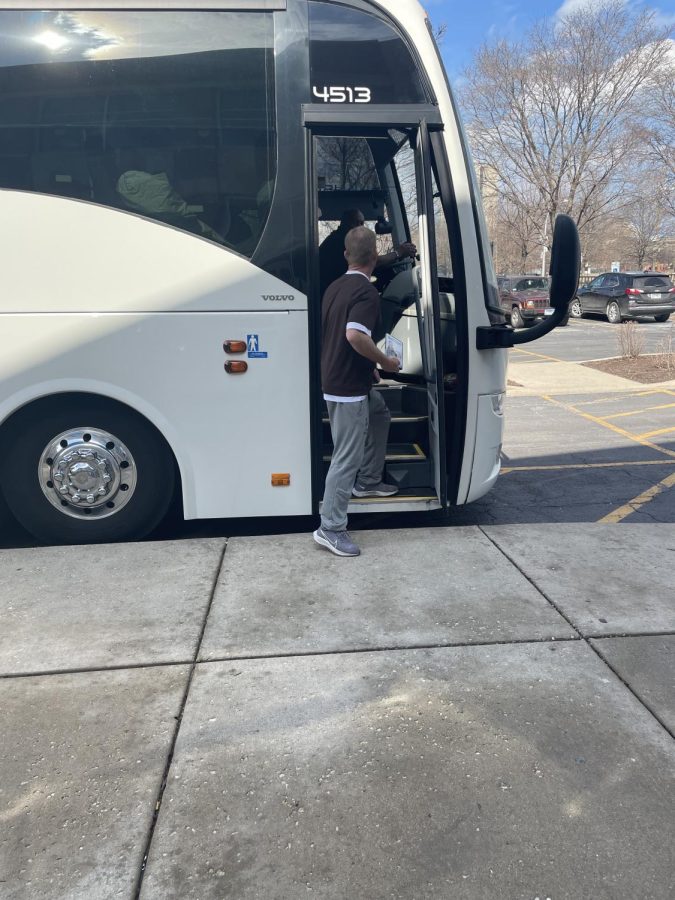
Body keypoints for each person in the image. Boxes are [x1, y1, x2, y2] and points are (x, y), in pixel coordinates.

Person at [314, 226, 402, 558]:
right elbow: (353, 335)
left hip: (348, 379)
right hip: (346, 389)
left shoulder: (335, 286)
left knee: (379, 413)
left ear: (346, 255)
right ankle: (331, 527)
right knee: (344, 457)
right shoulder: (366, 293)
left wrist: (369, 367)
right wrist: (386, 361)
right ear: (375, 257)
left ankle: (368, 481)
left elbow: (338, 337)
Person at [318, 208, 417, 297]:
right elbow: (372, 261)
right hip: (337, 294)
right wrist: (398, 253)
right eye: (357, 223)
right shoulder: (341, 240)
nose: (361, 228)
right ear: (345, 223)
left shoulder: (336, 238)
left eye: (362, 224)